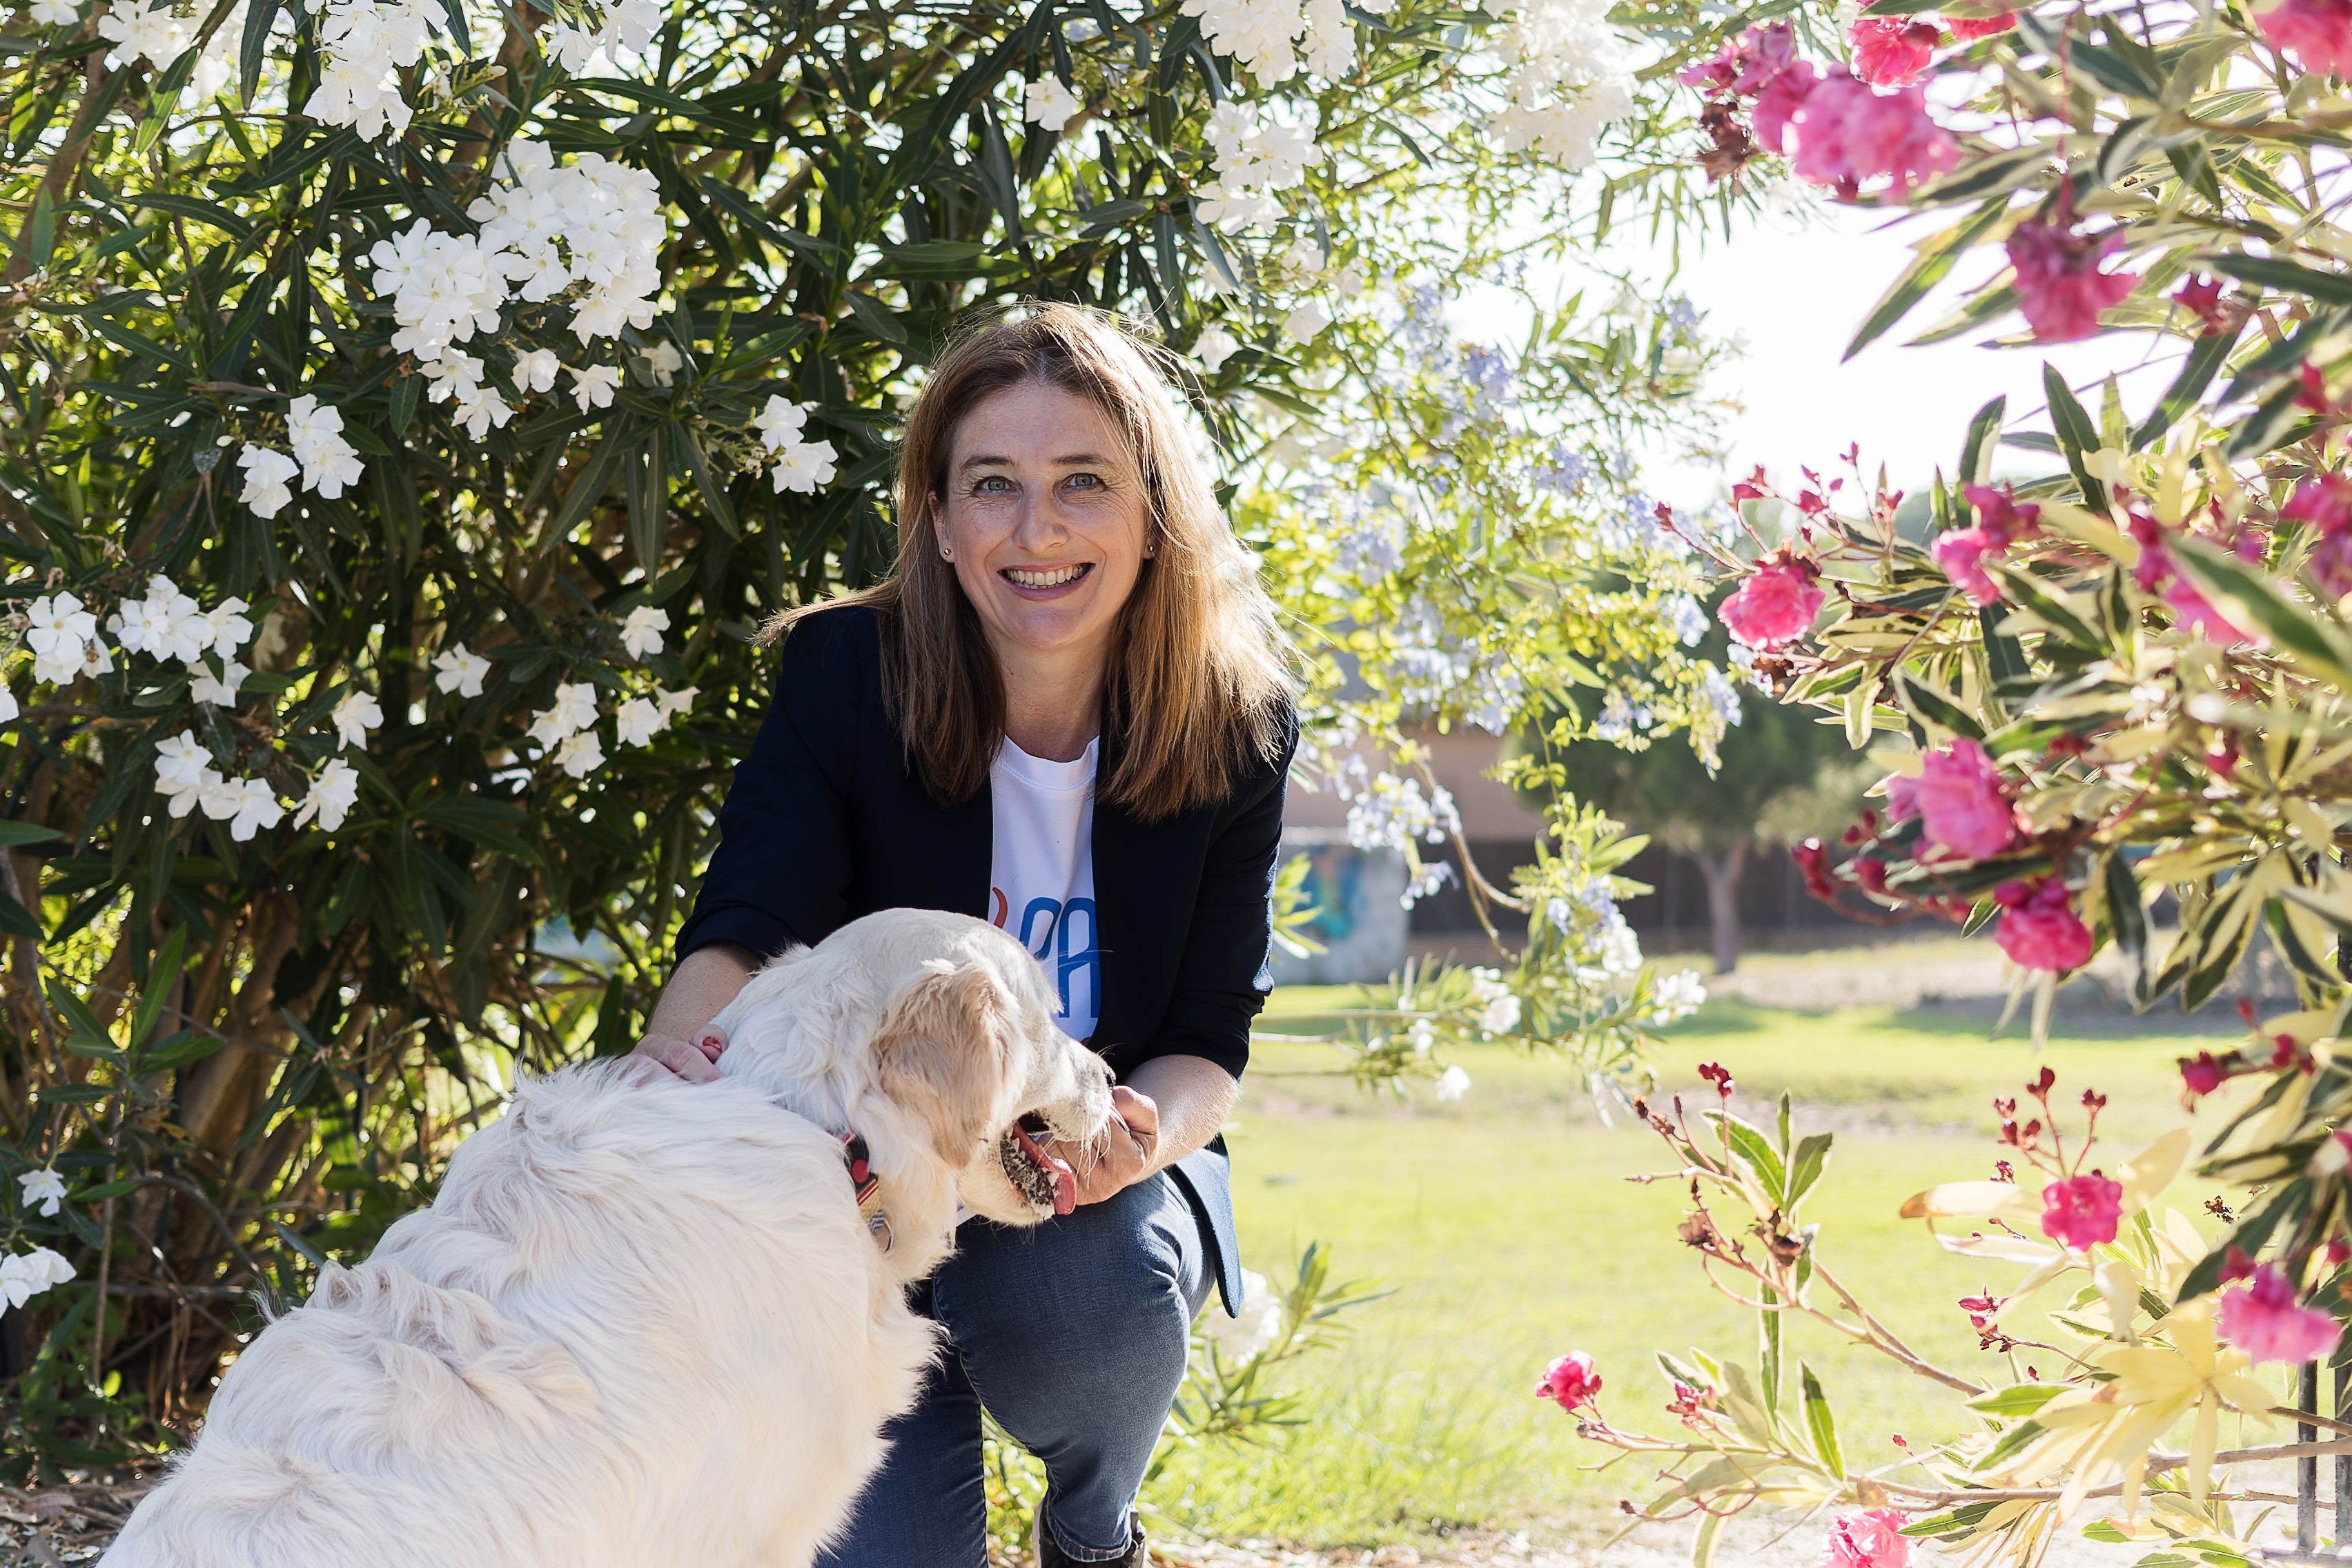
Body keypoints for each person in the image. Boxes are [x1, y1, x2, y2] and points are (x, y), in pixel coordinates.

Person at [629, 302, 1299, 1568]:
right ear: (939, 520)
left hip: (1075, 1191)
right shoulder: (845, 673)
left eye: (1083, 484)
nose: (1036, 532)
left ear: (1151, 513)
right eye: (993, 486)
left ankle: (1093, 1536)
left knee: (1090, 1297)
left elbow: (1210, 1035)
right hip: (857, 1190)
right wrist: (681, 1061)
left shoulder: (1236, 727)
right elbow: (751, 919)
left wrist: (1145, 1135)